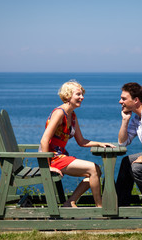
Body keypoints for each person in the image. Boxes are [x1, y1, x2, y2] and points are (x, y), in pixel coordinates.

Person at [39, 80, 115, 208]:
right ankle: (100, 208)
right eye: (78, 94)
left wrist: (100, 143)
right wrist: (47, 166)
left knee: (96, 172)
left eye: (82, 94)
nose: (82, 97)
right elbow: (44, 140)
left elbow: (81, 141)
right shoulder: (59, 113)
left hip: (60, 156)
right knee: (93, 169)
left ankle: (70, 202)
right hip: (53, 158)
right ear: (68, 96)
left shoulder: (72, 115)